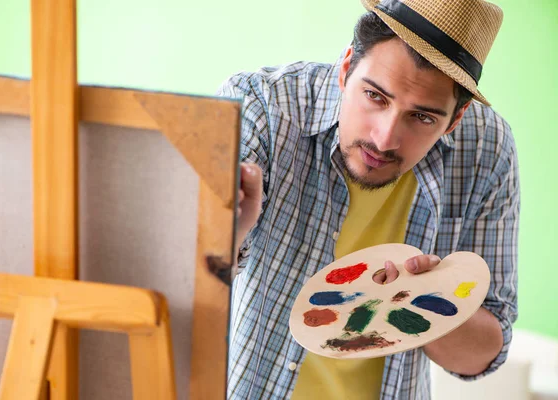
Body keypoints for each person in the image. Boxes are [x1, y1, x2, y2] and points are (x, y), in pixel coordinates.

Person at [217, 0, 519, 398]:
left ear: (455, 120)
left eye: (422, 118)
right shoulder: (264, 106)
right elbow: (179, 271)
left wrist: (422, 303)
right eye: (376, 96)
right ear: (345, 67)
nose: (384, 138)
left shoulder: (486, 150)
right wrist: (226, 236)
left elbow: (480, 356)